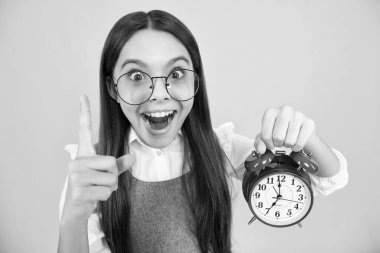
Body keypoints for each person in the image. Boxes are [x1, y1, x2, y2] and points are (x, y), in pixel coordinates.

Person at [57, 10, 348, 253]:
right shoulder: (91, 173)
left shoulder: (219, 147)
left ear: (196, 81)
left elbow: (330, 178)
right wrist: (74, 216)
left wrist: (303, 136)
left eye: (176, 74)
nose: (159, 93)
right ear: (112, 88)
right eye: (136, 76)